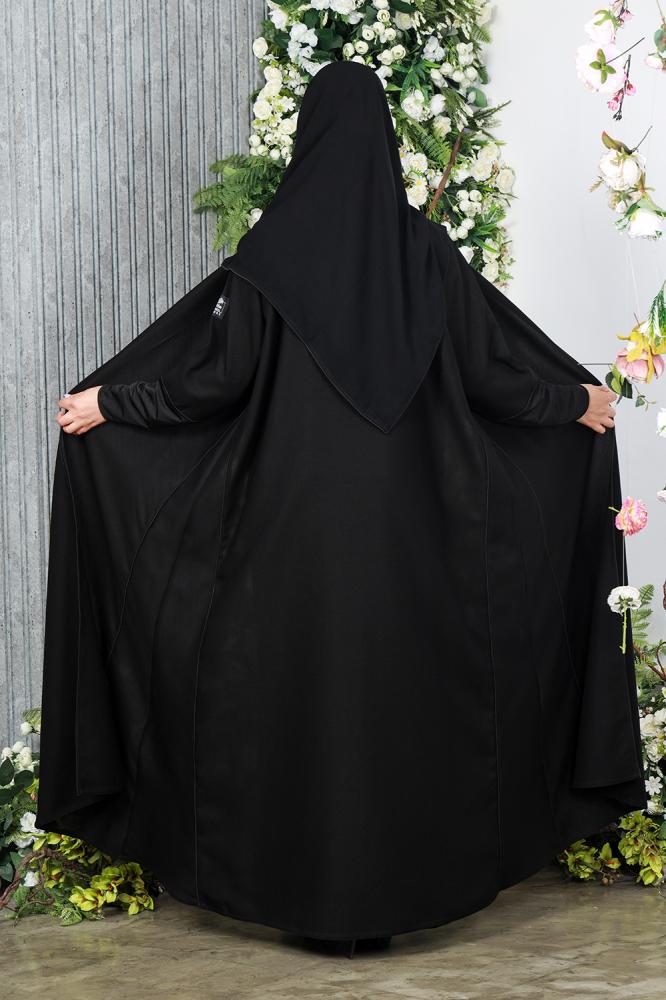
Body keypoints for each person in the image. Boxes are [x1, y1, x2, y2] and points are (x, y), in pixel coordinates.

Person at [36, 61, 646, 957]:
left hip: (285, 538)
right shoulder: (427, 255)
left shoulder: (270, 256)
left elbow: (213, 384)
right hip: (416, 539)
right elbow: (494, 382)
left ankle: (304, 895)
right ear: (386, 143)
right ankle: (399, 894)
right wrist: (574, 405)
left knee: (291, 694)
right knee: (405, 697)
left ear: (308, 140)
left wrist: (110, 405)